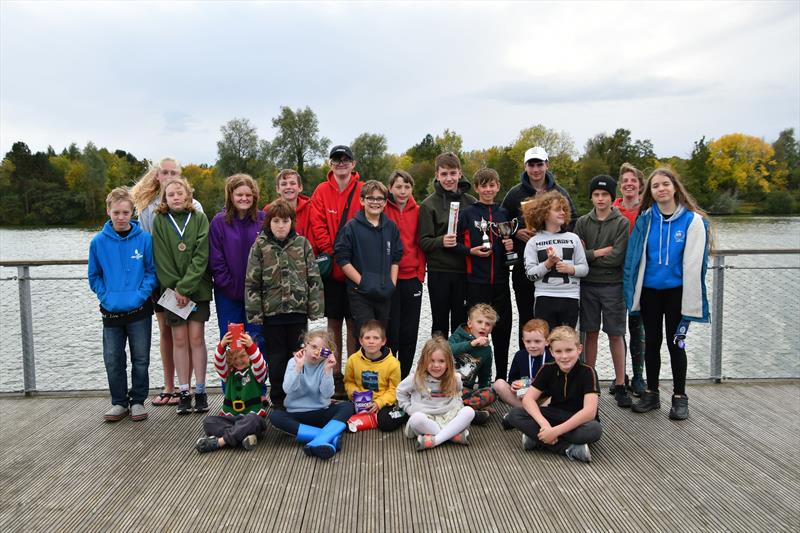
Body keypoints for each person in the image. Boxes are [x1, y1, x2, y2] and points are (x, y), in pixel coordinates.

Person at [624, 168, 710, 420]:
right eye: (655, 186)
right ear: (649, 192)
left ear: (675, 187)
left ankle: (680, 397)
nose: (661, 189)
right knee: (651, 343)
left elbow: (697, 262)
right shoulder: (646, 219)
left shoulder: (693, 221)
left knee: (677, 343)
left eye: (665, 184)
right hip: (650, 292)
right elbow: (633, 259)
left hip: (677, 294)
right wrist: (630, 292)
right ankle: (651, 393)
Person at [131, 157, 203, 407]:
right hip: (162, 280)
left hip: (190, 282)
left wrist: (185, 284)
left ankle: (189, 386)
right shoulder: (147, 208)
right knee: (167, 332)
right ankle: (169, 386)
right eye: (165, 172)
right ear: (157, 176)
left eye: (174, 172)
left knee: (191, 334)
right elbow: (146, 244)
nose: (169, 176)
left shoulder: (196, 206)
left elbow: (199, 247)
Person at [245, 199, 323, 409]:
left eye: (285, 221)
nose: (281, 225)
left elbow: (314, 278)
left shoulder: (302, 244)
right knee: (276, 359)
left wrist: (315, 308)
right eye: (276, 221)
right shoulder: (260, 246)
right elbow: (252, 282)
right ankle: (278, 399)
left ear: (292, 222)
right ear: (269, 222)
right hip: (272, 314)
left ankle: (299, 397)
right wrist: (255, 313)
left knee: (298, 355)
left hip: (297, 312)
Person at [88, 187, 158, 422]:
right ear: (108, 211)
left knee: (141, 359)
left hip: (139, 310)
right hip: (111, 311)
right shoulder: (98, 242)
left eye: (125, 212)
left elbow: (151, 272)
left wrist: (141, 295)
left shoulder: (145, 240)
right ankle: (119, 402)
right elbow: (94, 275)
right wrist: (105, 296)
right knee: (113, 359)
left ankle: (138, 401)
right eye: (116, 212)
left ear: (132, 212)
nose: (120, 217)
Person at [501, 147, 577, 351]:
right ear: (525, 167)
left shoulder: (559, 193)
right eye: (531, 164)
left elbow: (572, 222)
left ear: (547, 165)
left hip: (555, 271)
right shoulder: (515, 194)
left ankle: (555, 367)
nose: (535, 169)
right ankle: (526, 369)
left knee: (555, 325)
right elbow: (502, 222)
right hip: (524, 268)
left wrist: (551, 234)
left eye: (539, 164)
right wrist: (516, 232)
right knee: (527, 320)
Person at [152, 177, 212, 415]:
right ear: (164, 199)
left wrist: (186, 287)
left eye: (180, 193)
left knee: (196, 338)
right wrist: (176, 288)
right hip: (171, 291)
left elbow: (201, 254)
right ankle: (184, 391)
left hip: (197, 289)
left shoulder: (199, 218)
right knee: (178, 339)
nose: (176, 197)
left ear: (188, 195)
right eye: (170, 194)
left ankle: (200, 390)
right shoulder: (160, 221)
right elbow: (161, 257)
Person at [309, 145, 363, 397]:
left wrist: (348, 257)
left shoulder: (362, 190)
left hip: (354, 267)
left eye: (345, 160)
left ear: (353, 164)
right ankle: (335, 373)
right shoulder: (321, 190)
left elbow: (365, 223)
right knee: (333, 323)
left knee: (354, 323)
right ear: (330, 164)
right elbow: (317, 223)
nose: (341, 164)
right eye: (336, 160)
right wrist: (333, 252)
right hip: (332, 267)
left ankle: (352, 374)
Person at [575, 175, 632, 408]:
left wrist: (592, 256)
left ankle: (620, 384)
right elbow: (578, 256)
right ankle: (591, 382)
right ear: (591, 197)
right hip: (588, 284)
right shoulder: (582, 223)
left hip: (613, 285)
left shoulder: (621, 223)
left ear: (611, 197)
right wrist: (598, 253)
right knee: (590, 333)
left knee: (616, 334)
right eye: (596, 195)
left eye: (605, 195)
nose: (600, 199)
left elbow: (617, 256)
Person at [505, 326, 602, 463]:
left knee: (594, 429)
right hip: (553, 414)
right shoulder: (547, 368)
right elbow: (528, 399)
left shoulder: (588, 372)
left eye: (569, 350)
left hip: (577, 420)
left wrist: (555, 432)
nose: (564, 356)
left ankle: (537, 440)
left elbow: (589, 412)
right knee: (515, 414)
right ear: (551, 351)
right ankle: (568, 448)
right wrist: (545, 425)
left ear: (579, 349)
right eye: (558, 351)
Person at [456, 168, 514, 381]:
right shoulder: (468, 214)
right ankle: (470, 380)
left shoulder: (504, 214)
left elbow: (510, 243)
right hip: (475, 282)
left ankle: (501, 377)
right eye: (483, 185)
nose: (488, 189)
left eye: (492, 185)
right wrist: (469, 251)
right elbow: (454, 243)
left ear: (498, 187)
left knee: (502, 329)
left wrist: (510, 244)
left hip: (500, 281)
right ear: (477, 188)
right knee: (474, 333)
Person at [268, 329, 355, 459]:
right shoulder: (294, 362)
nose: (315, 353)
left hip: (320, 412)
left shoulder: (325, 365)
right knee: (275, 416)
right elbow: (287, 389)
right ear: (306, 344)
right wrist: (298, 367)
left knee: (348, 406)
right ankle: (328, 437)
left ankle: (318, 439)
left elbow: (327, 394)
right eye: (313, 347)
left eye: (321, 351)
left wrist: (327, 370)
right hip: (296, 414)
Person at [334, 179, 402, 342]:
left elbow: (396, 257)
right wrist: (362, 282)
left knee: (381, 337)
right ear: (362, 200)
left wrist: (392, 283)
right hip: (360, 293)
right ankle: (363, 368)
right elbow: (342, 259)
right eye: (371, 198)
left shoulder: (391, 227)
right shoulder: (352, 227)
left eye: (380, 199)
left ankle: (381, 368)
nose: (375, 202)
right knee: (365, 337)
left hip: (384, 292)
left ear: (385, 202)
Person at [418, 152, 476, 337]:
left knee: (462, 324)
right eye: (444, 174)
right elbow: (423, 241)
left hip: (465, 272)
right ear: (437, 175)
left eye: (452, 173)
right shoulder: (428, 205)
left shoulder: (471, 202)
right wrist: (441, 241)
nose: (449, 178)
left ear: (460, 173)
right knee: (440, 323)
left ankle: (459, 363)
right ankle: (438, 364)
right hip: (439, 272)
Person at [209, 174, 265, 353]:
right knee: (231, 343)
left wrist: (257, 288)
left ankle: (258, 382)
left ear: (254, 196)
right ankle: (231, 382)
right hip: (228, 295)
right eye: (239, 194)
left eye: (248, 195)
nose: (244, 198)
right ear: (231, 196)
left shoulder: (263, 220)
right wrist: (231, 288)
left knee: (256, 342)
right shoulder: (219, 222)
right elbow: (216, 262)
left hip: (257, 296)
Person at [523, 190, 588, 331]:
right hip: (544, 297)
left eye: (564, 209)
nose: (563, 212)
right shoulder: (533, 242)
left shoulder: (573, 238)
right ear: (545, 213)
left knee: (567, 341)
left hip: (570, 297)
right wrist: (548, 264)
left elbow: (584, 269)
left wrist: (571, 269)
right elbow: (530, 274)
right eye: (557, 209)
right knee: (546, 342)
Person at [396, 336, 475, 450]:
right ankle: (452, 435)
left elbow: (458, 394)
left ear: (448, 362)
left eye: (441, 361)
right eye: (431, 360)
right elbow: (400, 391)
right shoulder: (417, 378)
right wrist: (409, 409)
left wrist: (457, 406)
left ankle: (435, 440)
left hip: (449, 416)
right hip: (427, 417)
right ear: (424, 360)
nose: (436, 365)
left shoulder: (455, 378)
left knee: (469, 412)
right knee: (416, 419)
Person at [195, 331, 268, 453]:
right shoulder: (228, 374)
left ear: (250, 356)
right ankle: (242, 437)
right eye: (234, 358)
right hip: (231, 419)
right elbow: (218, 363)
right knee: (208, 422)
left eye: (243, 356)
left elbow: (260, 364)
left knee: (254, 421)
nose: (239, 361)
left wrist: (251, 346)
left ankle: (220, 442)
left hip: (250, 417)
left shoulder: (256, 373)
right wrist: (222, 345)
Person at [384, 170, 426, 377]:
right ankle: (391, 377)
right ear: (390, 188)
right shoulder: (383, 210)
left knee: (410, 332)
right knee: (392, 331)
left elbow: (420, 243)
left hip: (412, 278)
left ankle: (405, 376)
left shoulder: (418, 211)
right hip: (390, 280)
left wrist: (420, 275)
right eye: (398, 187)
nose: (402, 191)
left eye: (407, 187)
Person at [613, 162, 646, 396]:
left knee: (638, 328)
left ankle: (639, 377)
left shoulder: (648, 210)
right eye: (625, 181)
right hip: (614, 277)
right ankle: (620, 378)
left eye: (633, 180)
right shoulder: (612, 210)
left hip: (641, 277)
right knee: (617, 331)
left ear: (640, 186)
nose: (629, 184)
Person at [343, 320, 407, 432]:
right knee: (342, 410)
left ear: (383, 341)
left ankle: (405, 413)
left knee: (386, 423)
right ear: (361, 341)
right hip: (360, 402)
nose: (371, 342)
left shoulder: (393, 363)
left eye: (376, 338)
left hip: (383, 403)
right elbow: (349, 381)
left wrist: (379, 403)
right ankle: (368, 419)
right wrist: (354, 392)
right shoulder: (353, 360)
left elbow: (394, 390)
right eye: (367, 338)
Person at [448, 303, 498, 424]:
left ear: (491, 328)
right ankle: (467, 413)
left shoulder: (486, 350)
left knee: (491, 394)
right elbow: (446, 349)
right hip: (446, 385)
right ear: (470, 323)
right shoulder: (458, 336)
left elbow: (485, 376)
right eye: (479, 322)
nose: (483, 327)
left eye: (488, 324)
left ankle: (461, 410)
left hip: (464, 391)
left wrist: (484, 401)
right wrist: (471, 344)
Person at [494, 319, 551, 412]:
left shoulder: (553, 357)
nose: (532, 345)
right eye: (528, 341)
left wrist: (535, 386)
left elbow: (555, 385)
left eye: (537, 341)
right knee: (498, 384)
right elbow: (512, 379)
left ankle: (528, 414)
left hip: (545, 398)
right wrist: (514, 385)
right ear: (523, 341)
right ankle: (530, 413)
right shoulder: (520, 355)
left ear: (547, 341)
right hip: (523, 398)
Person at [264, 169, 312, 237]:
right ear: (278, 189)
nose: (288, 187)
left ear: (300, 187)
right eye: (284, 184)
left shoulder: (310, 208)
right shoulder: (268, 210)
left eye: (292, 183)